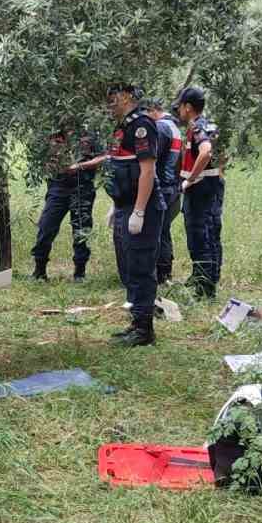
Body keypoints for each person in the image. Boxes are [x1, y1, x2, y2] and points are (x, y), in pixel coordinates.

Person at [100, 84, 164, 346]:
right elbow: (122, 168)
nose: (108, 104)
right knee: (129, 265)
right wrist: (117, 204)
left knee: (141, 267)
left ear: (126, 97)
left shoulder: (141, 125)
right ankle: (136, 324)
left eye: (112, 98)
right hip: (127, 204)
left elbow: (147, 171)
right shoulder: (122, 127)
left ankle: (144, 331)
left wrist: (138, 211)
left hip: (144, 207)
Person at [30, 124, 101, 281]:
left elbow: (104, 156)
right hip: (58, 187)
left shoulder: (89, 134)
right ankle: (39, 270)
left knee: (81, 230)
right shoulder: (51, 134)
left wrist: (80, 166)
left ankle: (80, 273)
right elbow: (40, 158)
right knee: (46, 227)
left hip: (82, 187)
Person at [177, 85, 225, 299]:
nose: (179, 111)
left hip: (200, 189)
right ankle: (208, 279)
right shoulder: (212, 125)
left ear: (188, 107)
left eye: (180, 106)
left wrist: (191, 178)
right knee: (213, 234)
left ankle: (204, 290)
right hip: (214, 185)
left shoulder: (196, 127)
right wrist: (219, 172)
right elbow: (223, 154)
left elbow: (205, 152)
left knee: (199, 237)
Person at [147, 97, 184, 286]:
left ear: (153, 110)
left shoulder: (161, 128)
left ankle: (160, 274)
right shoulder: (174, 127)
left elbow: (150, 159)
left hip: (162, 187)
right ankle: (165, 272)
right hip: (173, 187)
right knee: (164, 231)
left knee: (158, 232)